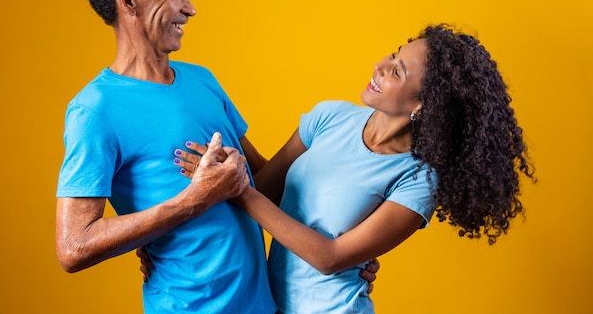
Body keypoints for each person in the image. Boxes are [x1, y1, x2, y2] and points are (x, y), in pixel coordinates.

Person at [56, 0, 377, 313]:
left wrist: (346, 249)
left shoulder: (201, 80)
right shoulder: (95, 110)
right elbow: (74, 246)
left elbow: (262, 185)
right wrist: (191, 202)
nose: (189, 7)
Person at [172, 24, 535, 313]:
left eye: (397, 70)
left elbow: (330, 259)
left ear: (423, 105)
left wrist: (236, 186)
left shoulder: (417, 180)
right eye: (392, 54)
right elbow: (265, 190)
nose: (379, 66)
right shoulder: (329, 116)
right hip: (265, 305)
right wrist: (225, 134)